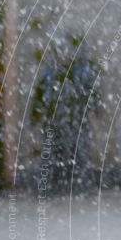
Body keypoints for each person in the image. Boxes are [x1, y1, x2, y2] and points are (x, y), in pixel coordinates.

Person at [31, 36, 100, 194]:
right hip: (57, 122)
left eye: (67, 52)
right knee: (56, 154)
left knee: (78, 152)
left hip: (75, 121)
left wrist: (93, 111)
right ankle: (55, 185)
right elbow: (40, 97)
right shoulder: (51, 73)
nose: (64, 56)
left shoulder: (81, 72)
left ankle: (76, 184)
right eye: (61, 52)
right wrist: (36, 116)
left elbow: (91, 94)